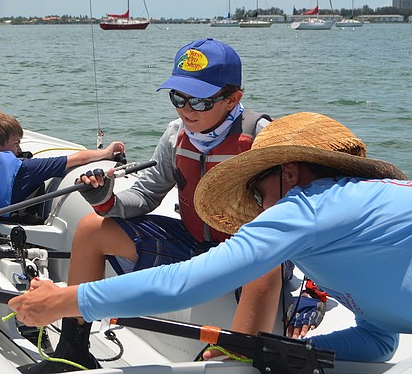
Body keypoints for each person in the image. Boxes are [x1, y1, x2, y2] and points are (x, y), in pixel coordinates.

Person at [9, 112, 412, 363]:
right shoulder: (342, 228)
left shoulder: (314, 204)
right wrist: (257, 350)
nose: (256, 207)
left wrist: (64, 300)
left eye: (257, 191)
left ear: (289, 172)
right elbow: (378, 338)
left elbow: (190, 281)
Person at [16, 37, 291, 373]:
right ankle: (73, 349)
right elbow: (146, 196)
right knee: (90, 228)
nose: (187, 110)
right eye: (179, 98)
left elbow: (285, 223)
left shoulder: (263, 139)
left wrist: (308, 291)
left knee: (265, 254)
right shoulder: (175, 135)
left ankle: (238, 355)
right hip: (195, 243)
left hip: (247, 253)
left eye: (201, 102)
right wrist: (106, 199)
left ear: (234, 98)